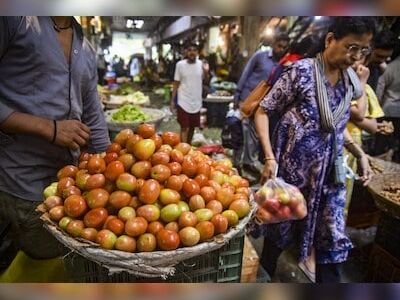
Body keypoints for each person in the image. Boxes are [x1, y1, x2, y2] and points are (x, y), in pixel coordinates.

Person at [253, 17, 375, 283]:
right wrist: (269, 157)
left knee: (330, 238)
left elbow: (335, 123)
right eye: (351, 47)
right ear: (330, 40)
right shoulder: (301, 72)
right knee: (279, 234)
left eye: (363, 51)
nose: (355, 56)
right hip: (292, 174)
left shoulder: (349, 82)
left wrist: (359, 152)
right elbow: (262, 111)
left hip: (328, 177)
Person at [0, 17, 110, 268]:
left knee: (67, 261)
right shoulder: (15, 20)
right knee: (36, 256)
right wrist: (48, 128)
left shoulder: (85, 46)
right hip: (21, 180)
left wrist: (114, 166)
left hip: (67, 184)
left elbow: (92, 113)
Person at [234, 33, 290, 176]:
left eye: (284, 47)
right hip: (249, 99)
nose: (281, 49)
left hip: (265, 106)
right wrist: (237, 96)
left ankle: (248, 164)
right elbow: (245, 74)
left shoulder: (285, 62)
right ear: (273, 43)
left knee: (255, 136)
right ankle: (239, 164)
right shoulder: (260, 56)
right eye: (279, 46)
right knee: (243, 133)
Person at [345, 56, 385, 216]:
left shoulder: (366, 90)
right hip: (338, 145)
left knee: (343, 191)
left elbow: (372, 125)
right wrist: (361, 82)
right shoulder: (341, 86)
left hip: (351, 148)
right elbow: (359, 113)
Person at [171, 43, 209, 144]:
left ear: (197, 52)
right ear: (186, 52)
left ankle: (188, 146)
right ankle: (182, 149)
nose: (192, 52)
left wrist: (206, 72)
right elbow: (176, 84)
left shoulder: (201, 64)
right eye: (189, 50)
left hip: (196, 101)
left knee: (192, 127)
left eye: (194, 50)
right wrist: (172, 101)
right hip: (183, 100)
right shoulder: (180, 65)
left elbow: (205, 81)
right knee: (184, 127)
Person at [375, 52, 400, 161]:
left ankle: (380, 158)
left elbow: (380, 87)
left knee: (382, 138)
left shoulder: (391, 67)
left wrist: (377, 105)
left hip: (387, 108)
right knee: (396, 139)